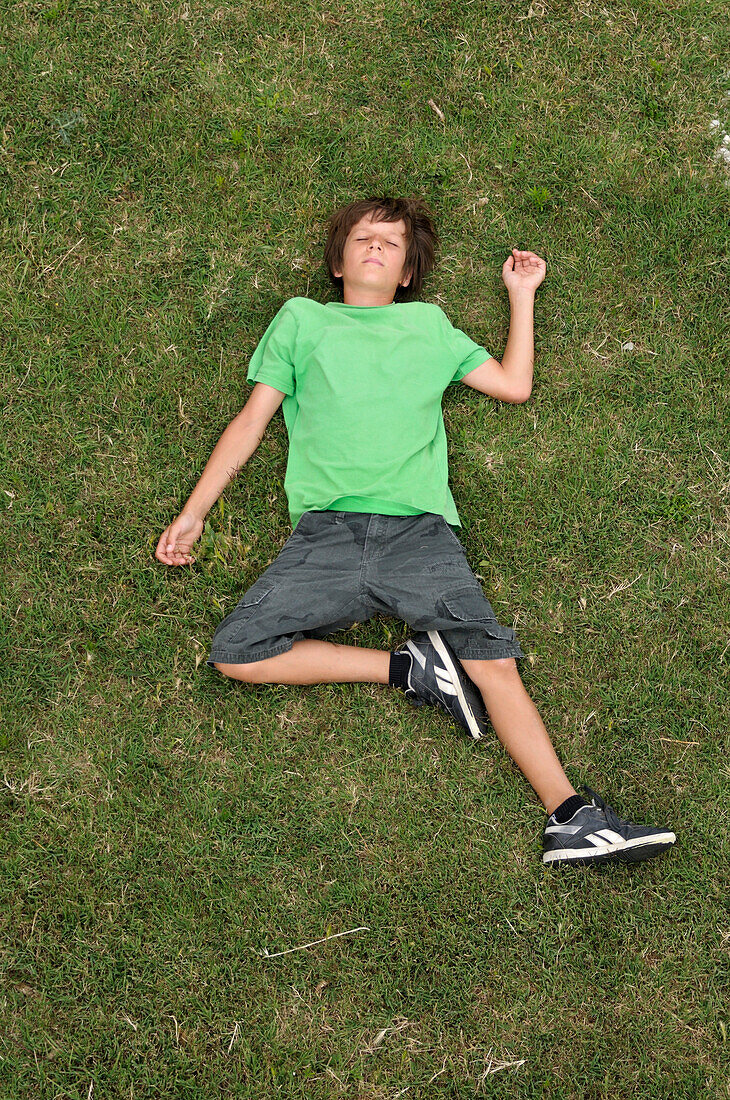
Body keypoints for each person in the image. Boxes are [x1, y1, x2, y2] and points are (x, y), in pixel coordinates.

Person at [156, 196, 676, 867]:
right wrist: (195, 511)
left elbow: (514, 385)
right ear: (339, 259)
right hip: (325, 538)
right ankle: (408, 668)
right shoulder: (301, 320)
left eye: (392, 244)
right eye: (363, 237)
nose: (375, 247)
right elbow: (252, 422)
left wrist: (522, 295)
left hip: (419, 538)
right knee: (236, 651)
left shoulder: (428, 327)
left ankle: (572, 818)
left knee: (494, 663)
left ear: (406, 274)